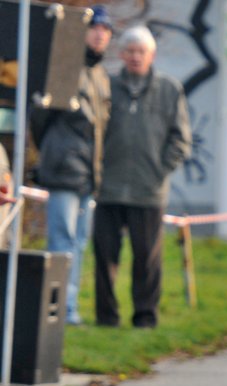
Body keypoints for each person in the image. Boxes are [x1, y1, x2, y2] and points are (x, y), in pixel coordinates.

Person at [93, 25, 192, 328]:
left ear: (152, 55)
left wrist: (159, 171)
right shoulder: (107, 86)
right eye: (130, 51)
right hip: (109, 187)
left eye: (141, 52)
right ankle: (106, 317)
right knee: (105, 256)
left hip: (149, 190)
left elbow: (181, 139)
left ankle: (145, 316)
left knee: (147, 258)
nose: (136, 57)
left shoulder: (169, 89)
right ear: (122, 54)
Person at [29, 5, 112, 325]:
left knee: (78, 242)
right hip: (65, 171)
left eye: (105, 30)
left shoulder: (100, 75)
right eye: (95, 28)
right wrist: (55, 153)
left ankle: (69, 307)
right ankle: (58, 309)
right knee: (62, 241)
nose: (100, 35)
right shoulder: (67, 67)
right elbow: (40, 118)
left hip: (88, 174)